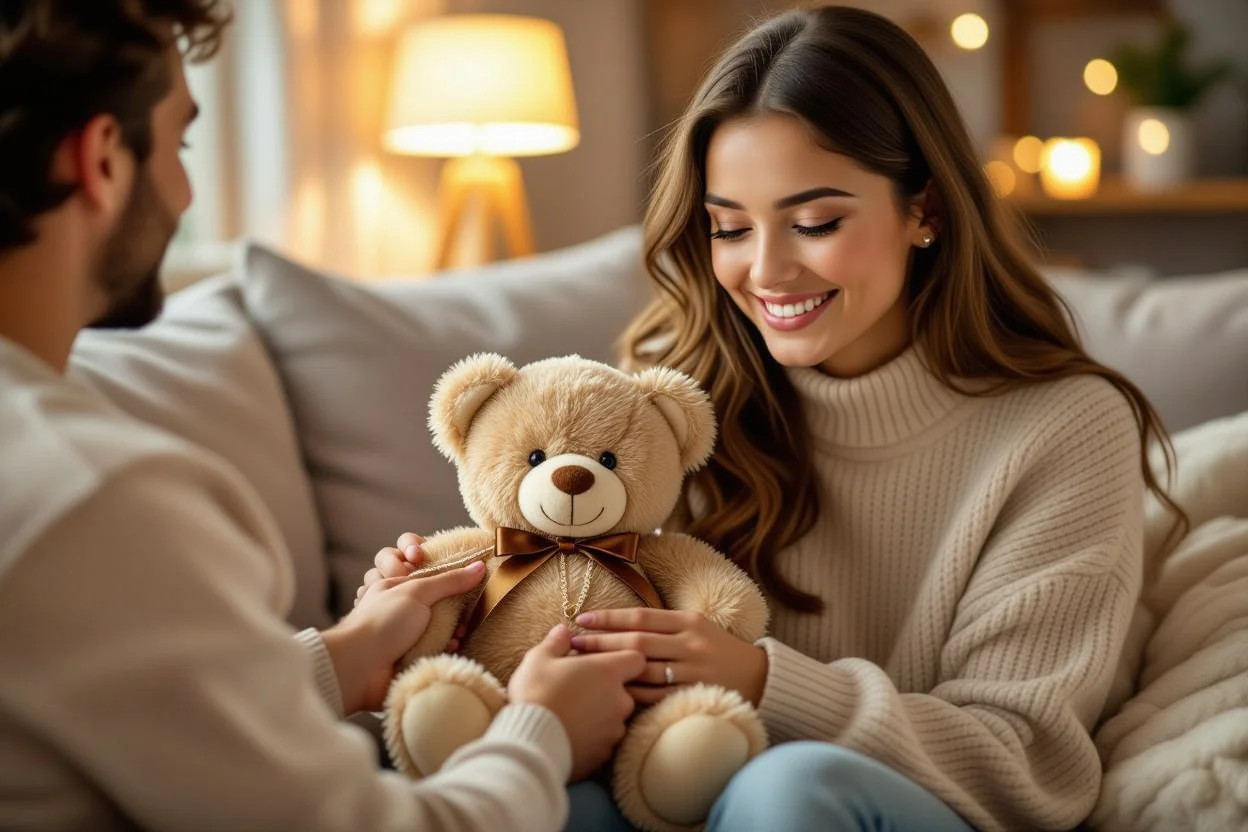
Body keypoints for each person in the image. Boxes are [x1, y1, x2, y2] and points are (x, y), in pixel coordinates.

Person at [365, 6, 1187, 832]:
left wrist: (764, 681)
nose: (766, 271)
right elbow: (571, 614)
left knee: (788, 790)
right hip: (688, 790)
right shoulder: (677, 396)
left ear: (925, 210)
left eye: (816, 222)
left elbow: (1023, 761)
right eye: (729, 227)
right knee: (552, 797)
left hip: (894, 809)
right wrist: (435, 611)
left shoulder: (1067, 428)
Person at [0, 2, 645, 830]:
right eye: (181, 143)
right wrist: (542, 728)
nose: (188, 186)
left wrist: (341, 657)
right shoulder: (96, 495)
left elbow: (126, 705)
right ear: (101, 161)